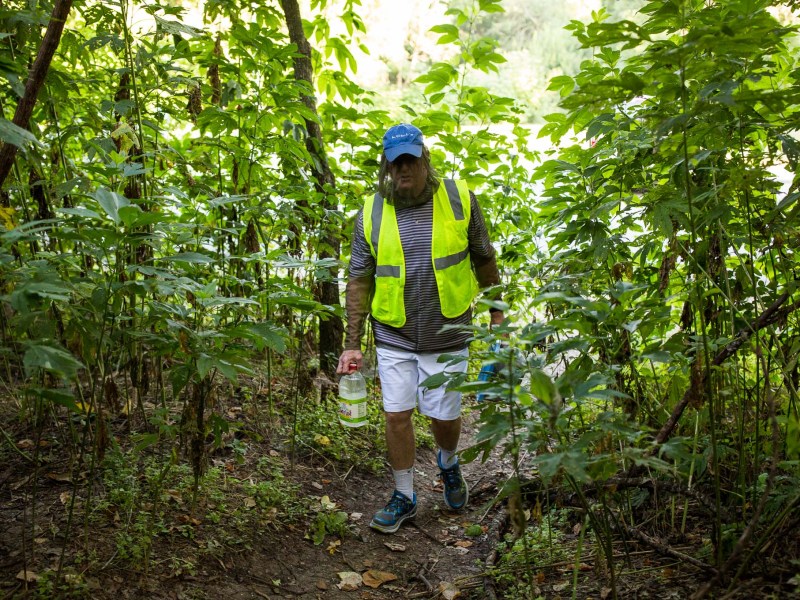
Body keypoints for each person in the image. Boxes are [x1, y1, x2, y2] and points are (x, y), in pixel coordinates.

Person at [336, 123, 504, 534]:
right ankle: (405, 494)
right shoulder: (371, 212)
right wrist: (352, 342)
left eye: (411, 159)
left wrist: (497, 312)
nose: (404, 168)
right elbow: (359, 279)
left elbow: (483, 257)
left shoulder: (459, 199)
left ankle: (448, 462)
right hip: (394, 333)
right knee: (397, 414)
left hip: (447, 333)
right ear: (386, 166)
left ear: (425, 158)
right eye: (396, 162)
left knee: (443, 415)